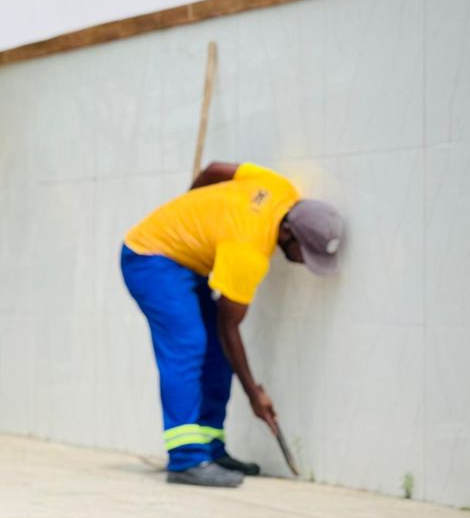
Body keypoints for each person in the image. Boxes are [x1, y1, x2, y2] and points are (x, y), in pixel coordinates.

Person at [121, 162, 346, 488]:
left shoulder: (278, 187)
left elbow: (213, 169)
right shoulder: (249, 250)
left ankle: (210, 447)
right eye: (303, 253)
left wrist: (192, 212)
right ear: (288, 232)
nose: (302, 262)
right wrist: (254, 393)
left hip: (181, 259)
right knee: (188, 343)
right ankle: (185, 458)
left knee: (213, 348)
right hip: (148, 256)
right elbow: (231, 329)